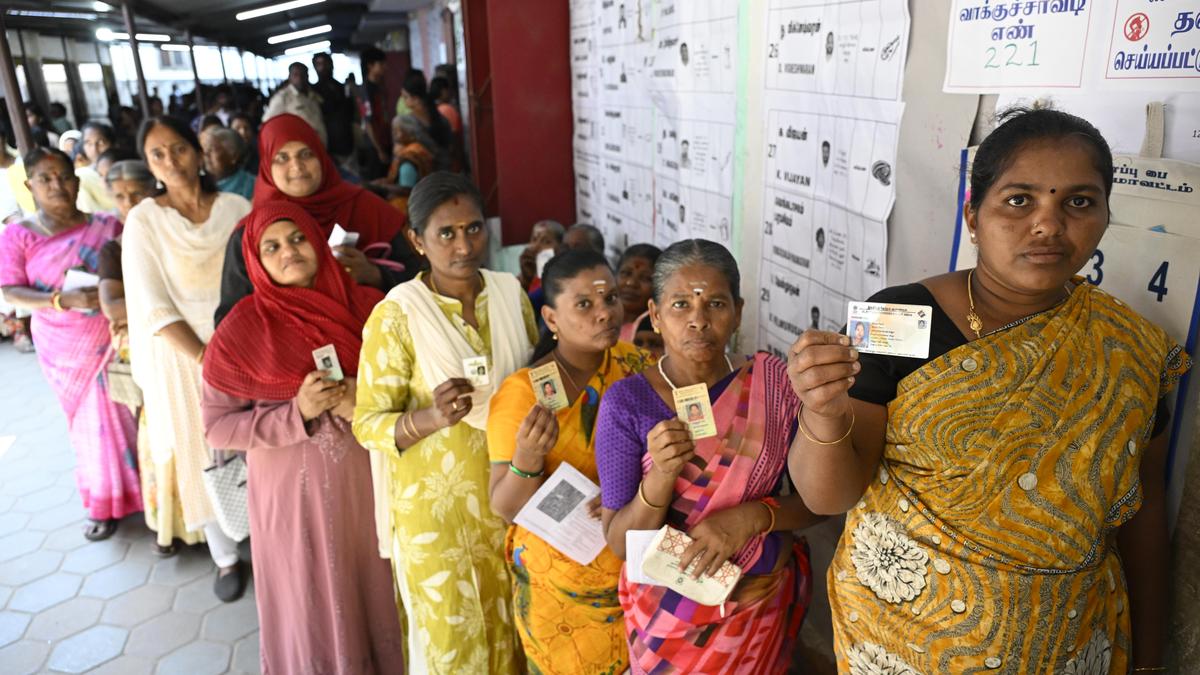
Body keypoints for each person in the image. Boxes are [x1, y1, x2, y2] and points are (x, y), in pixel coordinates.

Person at [787, 108, 1191, 673]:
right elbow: (829, 498)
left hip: (1066, 646)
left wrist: (1148, 660)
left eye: (1078, 201)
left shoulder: (1131, 349)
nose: (1049, 225)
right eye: (1020, 200)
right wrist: (823, 414)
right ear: (973, 215)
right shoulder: (899, 314)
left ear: (1104, 215)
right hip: (900, 646)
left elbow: (1142, 519)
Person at [596, 239, 819, 674]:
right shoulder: (628, 403)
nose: (698, 320)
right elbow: (621, 542)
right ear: (656, 316)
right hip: (667, 622)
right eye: (680, 305)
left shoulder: (773, 385)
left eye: (715, 303)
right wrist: (661, 475)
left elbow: (821, 503)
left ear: (737, 311)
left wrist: (753, 517)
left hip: (758, 607)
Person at [201, 202, 405, 674]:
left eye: (297, 238)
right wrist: (297, 412)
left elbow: (410, 388)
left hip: (373, 486)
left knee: (377, 587)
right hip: (291, 503)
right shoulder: (238, 335)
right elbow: (217, 426)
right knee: (310, 599)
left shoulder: (371, 307)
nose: (288, 251)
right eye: (271, 246)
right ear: (254, 259)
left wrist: (365, 396)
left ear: (318, 240)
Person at [353, 172, 536, 673]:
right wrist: (430, 419)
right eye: (446, 233)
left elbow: (536, 382)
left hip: (511, 494)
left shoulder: (509, 295)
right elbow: (367, 423)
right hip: (435, 517)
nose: (463, 245)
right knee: (452, 638)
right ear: (416, 240)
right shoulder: (398, 316)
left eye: (473, 229)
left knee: (516, 627)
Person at [487, 249, 653, 674]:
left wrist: (634, 492)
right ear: (551, 318)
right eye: (585, 304)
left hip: (634, 565)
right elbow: (505, 506)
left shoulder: (638, 367)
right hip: (559, 583)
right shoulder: (522, 394)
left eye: (611, 299)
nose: (605, 313)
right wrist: (526, 458)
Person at [122, 115, 251, 601]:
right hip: (184, 358)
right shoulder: (144, 221)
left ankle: (266, 537)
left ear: (197, 152)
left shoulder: (236, 206)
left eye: (177, 148)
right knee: (204, 455)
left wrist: (245, 348)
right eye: (157, 154)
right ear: (150, 165)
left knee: (257, 446)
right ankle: (224, 557)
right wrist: (207, 360)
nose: (170, 161)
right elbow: (154, 304)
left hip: (246, 345)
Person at [0, 148, 142, 540]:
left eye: (63, 176)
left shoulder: (108, 226)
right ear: (30, 186)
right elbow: (10, 291)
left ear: (77, 181)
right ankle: (104, 501)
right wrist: (60, 300)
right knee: (88, 425)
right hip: (65, 349)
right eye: (45, 179)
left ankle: (152, 497)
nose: (56, 185)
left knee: (132, 413)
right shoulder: (18, 235)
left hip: (116, 336)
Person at [214, 113, 421, 325]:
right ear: (267, 166)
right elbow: (229, 322)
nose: (297, 166)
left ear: (321, 156)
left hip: (379, 344)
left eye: (306, 154)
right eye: (282, 158)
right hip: (292, 353)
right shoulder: (251, 234)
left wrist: (376, 275)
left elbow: (423, 276)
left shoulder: (365, 207)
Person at [98, 159, 196, 556]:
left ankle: (217, 529)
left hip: (193, 344)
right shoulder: (116, 246)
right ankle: (173, 529)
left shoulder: (177, 230)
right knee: (166, 438)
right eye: (119, 197)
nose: (128, 204)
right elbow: (112, 306)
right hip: (155, 354)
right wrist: (159, 305)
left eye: (136, 194)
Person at [370, 114, 437, 209]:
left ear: (409, 132)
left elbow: (407, 190)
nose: (394, 135)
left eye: (396, 131)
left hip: (410, 205)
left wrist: (381, 187)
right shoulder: (419, 148)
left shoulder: (409, 158)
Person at [265, 63, 328, 147]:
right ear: (289, 77)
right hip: (303, 148)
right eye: (295, 75)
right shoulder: (282, 98)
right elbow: (268, 123)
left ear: (308, 76)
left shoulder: (313, 94)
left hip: (321, 145)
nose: (300, 78)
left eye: (303, 74)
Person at [399, 69, 453, 163]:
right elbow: (451, 148)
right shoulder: (442, 119)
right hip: (444, 170)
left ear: (415, 99)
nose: (403, 101)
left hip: (423, 173)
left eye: (405, 97)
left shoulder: (404, 122)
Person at [312, 52, 356, 164]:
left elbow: (350, 112)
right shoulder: (312, 92)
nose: (323, 67)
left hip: (347, 140)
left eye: (326, 63)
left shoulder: (342, 87)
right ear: (315, 67)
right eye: (319, 64)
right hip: (327, 144)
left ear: (331, 65)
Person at [616, 243, 661, 342]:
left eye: (645, 278)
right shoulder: (599, 319)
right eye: (626, 273)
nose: (631, 283)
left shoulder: (654, 334)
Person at [359, 48, 393, 176]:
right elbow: (368, 123)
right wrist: (379, 150)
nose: (385, 67)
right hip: (375, 146)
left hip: (386, 141)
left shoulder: (380, 86)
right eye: (381, 64)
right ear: (370, 66)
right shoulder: (366, 90)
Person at [201, 127, 255, 200]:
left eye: (212, 149)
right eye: (206, 148)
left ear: (233, 157)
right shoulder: (200, 184)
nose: (206, 154)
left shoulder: (252, 187)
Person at [75, 122, 118, 213]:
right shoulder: (82, 176)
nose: (94, 149)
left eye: (101, 143)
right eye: (88, 143)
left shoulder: (124, 168)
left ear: (112, 144)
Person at [518, 219, 566, 291]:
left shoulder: (567, 278)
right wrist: (526, 279)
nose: (535, 247)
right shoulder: (519, 280)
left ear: (560, 248)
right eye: (534, 239)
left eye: (546, 242)